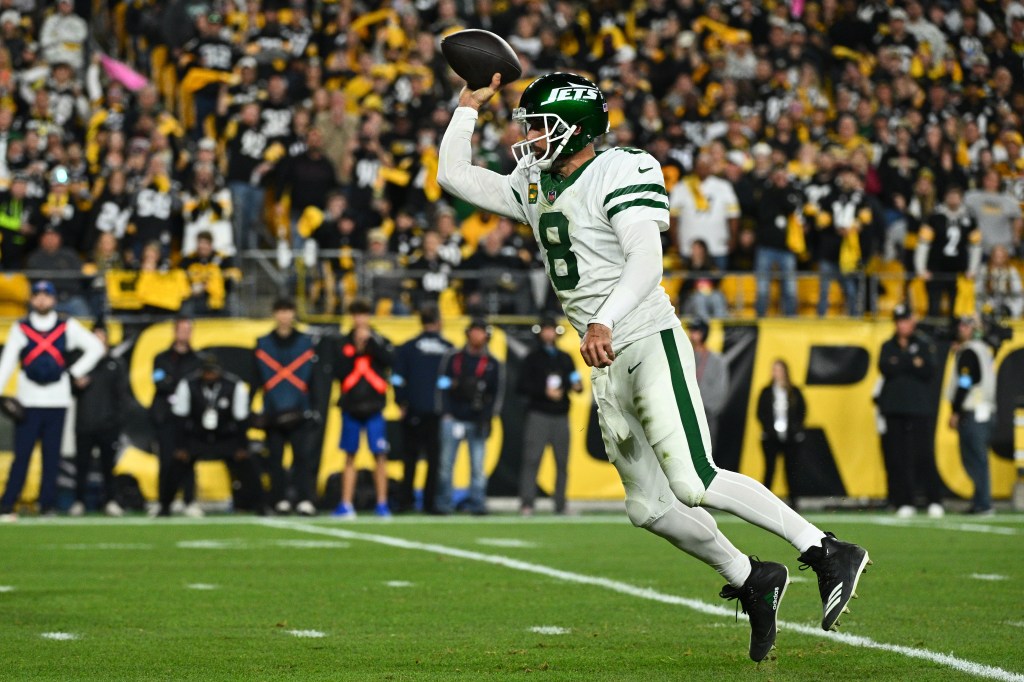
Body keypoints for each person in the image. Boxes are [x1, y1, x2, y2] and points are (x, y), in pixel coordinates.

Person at [437, 72, 869, 662]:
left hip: (642, 335)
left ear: (576, 129)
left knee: (693, 478)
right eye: (528, 126)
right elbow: (453, 176)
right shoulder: (534, 184)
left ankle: (825, 549)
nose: (530, 138)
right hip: (605, 352)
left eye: (540, 127)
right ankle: (751, 577)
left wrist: (603, 319)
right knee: (648, 507)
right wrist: (466, 109)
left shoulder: (624, 167)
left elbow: (646, 261)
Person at [0, 280, 104, 521]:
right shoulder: (21, 328)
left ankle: (47, 505)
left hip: (57, 400)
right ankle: (7, 504)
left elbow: (95, 348)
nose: (42, 299)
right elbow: (6, 363)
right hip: (28, 401)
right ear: (32, 299)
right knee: (22, 456)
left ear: (54, 299)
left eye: (47, 295)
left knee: (52, 457)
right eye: (37, 295)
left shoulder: (67, 326)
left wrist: (75, 372)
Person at [165, 353, 266, 516]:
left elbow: (241, 419)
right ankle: (164, 505)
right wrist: (181, 446)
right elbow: (180, 418)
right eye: (206, 371)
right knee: (176, 463)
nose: (209, 375)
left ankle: (259, 505)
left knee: (248, 464)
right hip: (197, 436)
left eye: (213, 371)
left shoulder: (234, 385)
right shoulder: (189, 384)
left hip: (225, 436)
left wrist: (242, 446)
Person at [876, 304, 944, 518]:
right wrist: (911, 363)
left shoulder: (923, 344)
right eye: (898, 321)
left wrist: (901, 363)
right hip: (894, 409)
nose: (902, 325)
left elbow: (928, 370)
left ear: (912, 322)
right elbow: (885, 367)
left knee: (924, 455)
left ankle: (934, 500)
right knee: (898, 457)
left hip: (919, 409)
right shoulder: (888, 345)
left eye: (905, 320)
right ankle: (904, 501)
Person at [252, 298, 318, 516]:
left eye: (288, 311)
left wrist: (314, 406)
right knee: (275, 459)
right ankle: (279, 499)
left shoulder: (306, 342)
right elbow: (255, 378)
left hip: (300, 409)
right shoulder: (263, 343)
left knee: (302, 457)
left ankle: (305, 499)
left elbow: (315, 380)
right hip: (273, 411)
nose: (284, 316)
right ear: (274, 314)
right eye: (280, 311)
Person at [435, 318, 505, 515]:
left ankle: (477, 503)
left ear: (486, 336)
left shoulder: (492, 363)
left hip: (477, 418)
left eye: (481, 332)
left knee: (477, 467)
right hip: (454, 417)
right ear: (468, 334)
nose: (477, 335)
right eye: (474, 331)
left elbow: (496, 393)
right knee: (446, 465)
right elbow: (441, 385)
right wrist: (445, 412)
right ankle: (444, 503)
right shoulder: (454, 357)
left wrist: (489, 417)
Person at [333, 299, 393, 519]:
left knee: (380, 455)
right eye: (356, 315)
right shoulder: (342, 343)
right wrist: (356, 351)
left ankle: (382, 503)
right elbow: (338, 371)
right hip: (351, 406)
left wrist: (371, 346)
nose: (360, 320)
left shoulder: (380, 340)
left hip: (375, 407)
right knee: (349, 456)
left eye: (364, 315)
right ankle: (346, 503)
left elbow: (390, 361)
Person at [517, 317, 582, 516]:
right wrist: (543, 392)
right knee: (532, 460)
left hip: (560, 415)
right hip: (539, 414)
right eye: (546, 329)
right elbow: (520, 386)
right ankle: (527, 503)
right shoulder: (532, 358)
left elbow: (576, 381)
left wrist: (576, 386)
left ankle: (560, 504)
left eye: (551, 329)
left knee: (562, 462)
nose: (549, 333)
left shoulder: (564, 357)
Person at [392, 305, 453, 514]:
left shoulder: (408, 347)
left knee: (410, 458)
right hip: (436, 412)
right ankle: (429, 502)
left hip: (413, 410)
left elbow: (397, 378)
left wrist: (401, 402)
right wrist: (446, 405)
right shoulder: (448, 348)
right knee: (434, 460)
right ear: (438, 322)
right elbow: (449, 382)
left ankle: (405, 500)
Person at [70, 321, 128, 517]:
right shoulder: (82, 364)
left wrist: (117, 422)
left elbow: (121, 396)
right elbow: (69, 391)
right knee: (82, 466)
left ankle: (110, 501)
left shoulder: (115, 364)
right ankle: (79, 501)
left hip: (108, 425)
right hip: (85, 424)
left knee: (108, 466)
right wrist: (76, 385)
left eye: (101, 336)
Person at [151, 315, 202, 517]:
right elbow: (160, 383)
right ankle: (165, 501)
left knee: (189, 460)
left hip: (189, 419)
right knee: (166, 461)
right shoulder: (161, 358)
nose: (184, 333)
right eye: (181, 329)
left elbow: (194, 387)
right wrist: (181, 386)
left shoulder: (197, 360)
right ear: (175, 331)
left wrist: (175, 385)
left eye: (187, 330)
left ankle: (190, 500)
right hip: (166, 417)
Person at [947, 315, 996, 516]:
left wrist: (956, 410)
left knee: (975, 459)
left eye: (966, 325)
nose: (961, 328)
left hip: (974, 411)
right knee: (977, 459)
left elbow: (966, 381)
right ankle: (980, 501)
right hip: (985, 410)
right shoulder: (982, 349)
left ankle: (983, 503)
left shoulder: (969, 351)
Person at [756, 360, 807, 511]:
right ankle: (764, 502)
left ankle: (794, 502)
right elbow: (760, 413)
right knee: (769, 470)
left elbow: (802, 411)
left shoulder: (794, 391)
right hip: (771, 438)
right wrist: (768, 430)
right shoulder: (766, 391)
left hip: (790, 438)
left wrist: (796, 430)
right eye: (774, 369)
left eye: (778, 369)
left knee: (791, 471)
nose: (775, 372)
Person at [686, 318, 729, 451]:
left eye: (695, 331)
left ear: (703, 333)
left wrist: (702, 407)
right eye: (691, 330)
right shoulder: (684, 356)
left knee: (705, 455)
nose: (691, 334)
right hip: (684, 415)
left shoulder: (717, 361)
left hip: (706, 418)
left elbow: (720, 392)